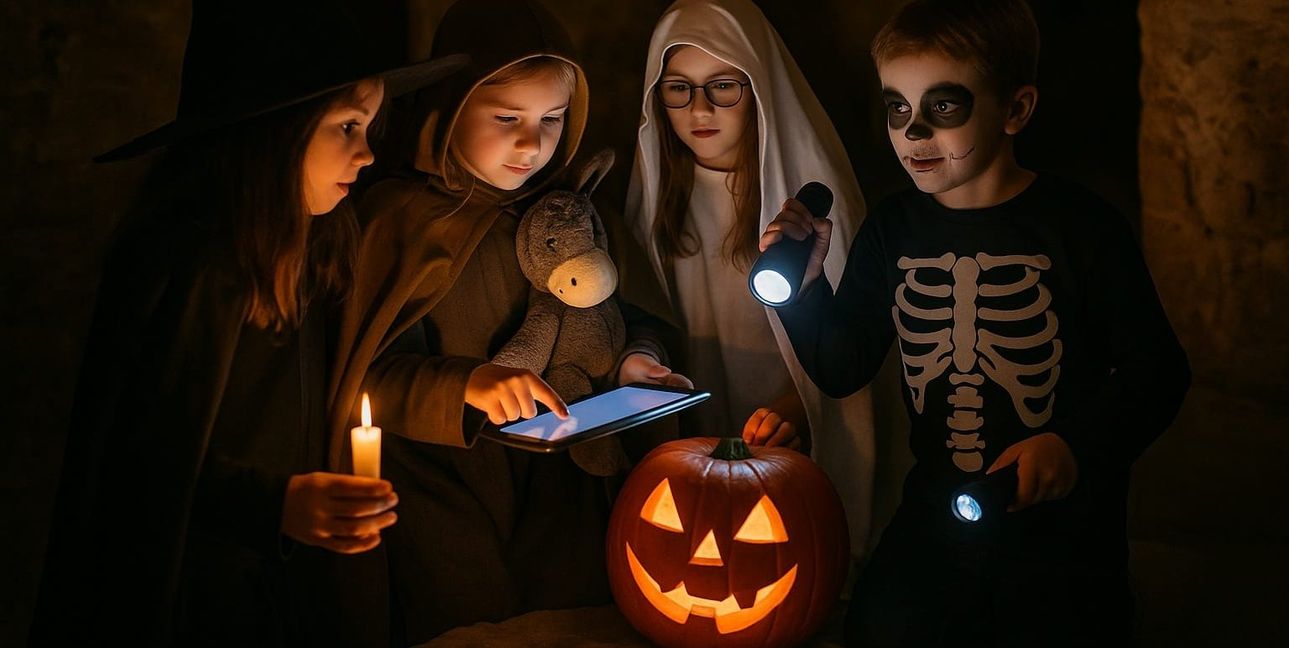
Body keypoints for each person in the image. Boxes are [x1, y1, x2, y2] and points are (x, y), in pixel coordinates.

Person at [31, 2, 463, 645]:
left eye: (370, 125)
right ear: (276, 131)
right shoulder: (194, 262)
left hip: (272, 591)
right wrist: (273, 505)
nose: (368, 153)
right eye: (347, 125)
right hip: (189, 601)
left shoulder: (311, 249)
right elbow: (142, 463)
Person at [761, 0, 1191, 644]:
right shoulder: (892, 228)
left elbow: (1158, 370)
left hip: (1065, 525)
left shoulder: (1083, 226)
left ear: (1015, 110)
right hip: (937, 507)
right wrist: (803, 288)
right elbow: (840, 366)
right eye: (897, 108)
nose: (912, 134)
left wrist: (1074, 445)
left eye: (942, 107)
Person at [327, 0, 652, 641]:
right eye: (506, 119)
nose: (532, 143)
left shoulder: (568, 213)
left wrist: (635, 358)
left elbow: (621, 317)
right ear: (448, 109)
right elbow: (365, 380)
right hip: (444, 489)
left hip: (560, 485)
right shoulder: (398, 220)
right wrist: (466, 386)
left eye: (553, 120)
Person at [623, 0, 879, 560]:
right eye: (677, 88)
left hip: (791, 450)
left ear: (757, 89)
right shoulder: (656, 203)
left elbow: (857, 357)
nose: (699, 109)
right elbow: (647, 320)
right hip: (691, 451)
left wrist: (796, 406)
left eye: (722, 86)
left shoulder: (809, 206)